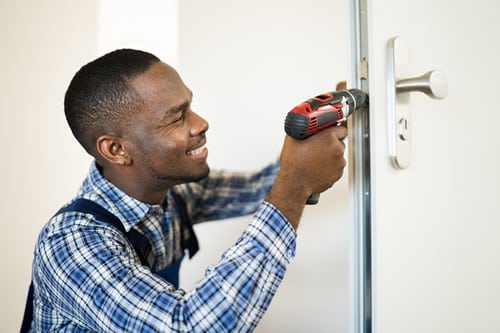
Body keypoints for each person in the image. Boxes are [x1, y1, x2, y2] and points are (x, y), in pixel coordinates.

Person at [27, 49, 347, 332]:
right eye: (177, 117)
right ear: (115, 149)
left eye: (190, 106)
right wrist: (295, 185)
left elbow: (259, 188)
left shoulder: (173, 194)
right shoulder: (71, 243)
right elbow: (187, 326)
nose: (201, 123)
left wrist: (309, 141)